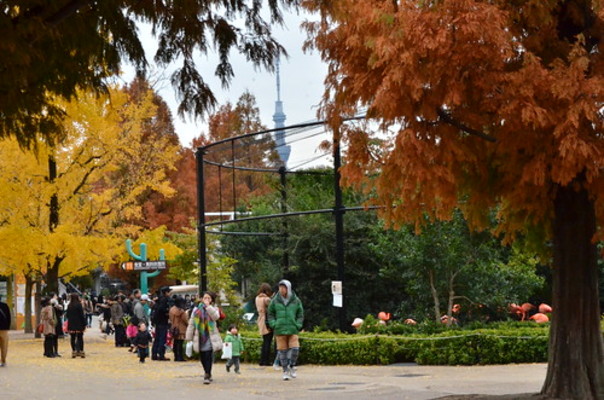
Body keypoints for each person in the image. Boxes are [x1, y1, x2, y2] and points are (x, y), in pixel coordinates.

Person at [267, 279, 304, 381]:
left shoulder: (296, 300)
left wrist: (298, 324)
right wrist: (274, 324)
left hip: (293, 328)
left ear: (288, 288)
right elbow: (270, 314)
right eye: (280, 287)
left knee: (295, 349)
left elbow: (300, 314)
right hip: (279, 329)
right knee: (282, 352)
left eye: (284, 287)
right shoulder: (274, 300)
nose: (281, 289)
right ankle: (285, 371)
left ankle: (292, 366)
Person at [185, 291, 223, 384]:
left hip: (210, 335)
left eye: (208, 298)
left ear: (211, 300)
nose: (206, 300)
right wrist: (188, 336)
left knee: (208, 355)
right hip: (200, 335)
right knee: (202, 356)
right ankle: (206, 371)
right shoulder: (196, 310)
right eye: (205, 298)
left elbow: (216, 317)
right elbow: (191, 323)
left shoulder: (214, 308)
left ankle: (207, 373)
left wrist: (208, 306)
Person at [255, 283, 273, 366]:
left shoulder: (257, 298)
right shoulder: (266, 299)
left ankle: (262, 360)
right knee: (268, 342)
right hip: (266, 320)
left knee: (264, 341)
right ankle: (266, 361)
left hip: (260, 319)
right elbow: (272, 308)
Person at [151, 286, 171, 361]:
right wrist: (167, 313)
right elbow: (162, 310)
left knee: (157, 338)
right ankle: (161, 354)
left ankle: (154, 353)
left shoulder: (158, 300)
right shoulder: (164, 300)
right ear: (166, 292)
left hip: (157, 322)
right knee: (162, 338)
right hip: (163, 321)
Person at [66, 293, 87, 358]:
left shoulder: (69, 305)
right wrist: (84, 323)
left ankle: (74, 351)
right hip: (79, 323)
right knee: (80, 338)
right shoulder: (79, 305)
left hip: (71, 323)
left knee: (72, 338)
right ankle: (81, 351)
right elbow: (81, 315)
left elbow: (67, 315)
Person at [169, 297, 189, 362]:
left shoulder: (172, 309)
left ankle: (176, 356)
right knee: (180, 343)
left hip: (174, 327)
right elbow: (185, 320)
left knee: (175, 342)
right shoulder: (181, 311)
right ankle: (180, 357)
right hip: (181, 328)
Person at [0, 294, 11, 367]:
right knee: (4, 346)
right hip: (4, 329)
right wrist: (8, 327)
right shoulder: (5, 306)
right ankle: (3, 361)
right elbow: (8, 317)